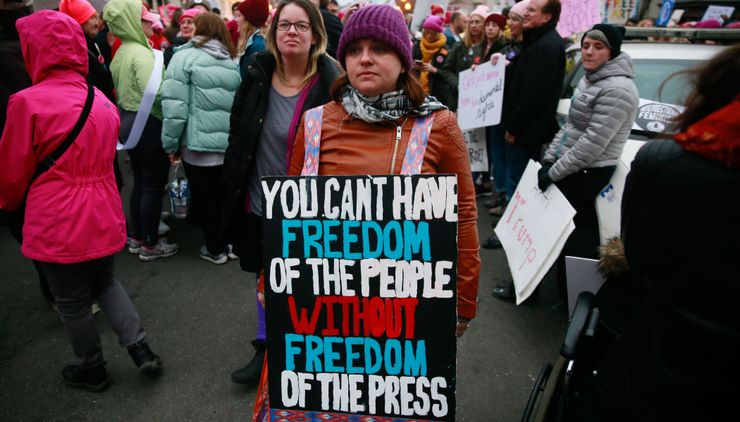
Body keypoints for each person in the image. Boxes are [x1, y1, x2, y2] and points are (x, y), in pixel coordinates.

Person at [569, 44, 740, 422]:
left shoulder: (668, 162)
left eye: (597, 46)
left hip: (657, 366)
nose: (588, 52)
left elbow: (641, 256)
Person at [288, 4, 480, 336]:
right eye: (354, 50)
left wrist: (463, 301)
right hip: (328, 303)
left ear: (403, 59)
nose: (365, 58)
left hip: (408, 306)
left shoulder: (439, 125)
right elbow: (289, 214)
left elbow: (463, 215)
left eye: (379, 48)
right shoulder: (315, 122)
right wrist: (270, 276)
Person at [0, 10, 162, 393]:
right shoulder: (100, 101)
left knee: (71, 299)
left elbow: (11, 171)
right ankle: (140, 347)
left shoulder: (26, 102)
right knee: (105, 282)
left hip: (56, 215)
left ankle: (92, 368)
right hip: (102, 208)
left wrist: (9, 204)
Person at [222, 0, 340, 384]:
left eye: (301, 26)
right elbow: (238, 135)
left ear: (315, 36)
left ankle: (308, 352)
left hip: (312, 208)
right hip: (260, 203)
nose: (291, 31)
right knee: (266, 278)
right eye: (284, 24)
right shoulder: (256, 75)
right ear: (273, 34)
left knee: (310, 281)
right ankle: (266, 348)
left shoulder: (333, 85)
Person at [532, 24, 638, 302]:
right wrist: (549, 158)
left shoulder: (619, 90)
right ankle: (554, 290)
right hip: (571, 166)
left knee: (566, 233)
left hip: (589, 170)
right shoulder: (591, 79)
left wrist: (554, 171)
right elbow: (570, 128)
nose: (589, 52)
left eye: (598, 47)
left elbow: (592, 144)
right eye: (586, 45)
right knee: (556, 230)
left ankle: (565, 294)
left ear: (612, 51)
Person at [485, 0, 565, 265]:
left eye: (532, 10)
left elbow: (531, 95)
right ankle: (509, 229)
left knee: (518, 185)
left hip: (524, 132)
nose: (526, 14)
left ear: (547, 17)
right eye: (525, 10)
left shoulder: (544, 47)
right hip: (521, 130)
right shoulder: (535, 43)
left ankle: (511, 235)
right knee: (513, 180)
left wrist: (513, 128)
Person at [161, 12, 241, 264]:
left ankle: (214, 248)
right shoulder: (231, 60)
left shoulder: (183, 57)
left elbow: (174, 108)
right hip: (225, 144)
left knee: (205, 198)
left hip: (197, 145)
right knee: (222, 196)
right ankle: (228, 243)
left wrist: (170, 144)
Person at [104, 0, 179, 261]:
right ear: (133, 22)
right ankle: (150, 243)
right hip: (148, 123)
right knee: (153, 186)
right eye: (145, 18)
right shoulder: (142, 53)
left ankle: (136, 236)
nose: (152, 22)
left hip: (128, 122)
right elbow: (157, 93)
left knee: (140, 183)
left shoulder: (122, 51)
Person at [480, 0, 527, 234]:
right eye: (513, 19)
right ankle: (501, 194)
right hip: (497, 111)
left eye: (517, 19)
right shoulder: (510, 46)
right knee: (499, 157)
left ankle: (510, 206)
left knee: (512, 164)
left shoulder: (533, 48)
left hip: (512, 116)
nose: (513, 24)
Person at [439, 4, 487, 112]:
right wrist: (458, 85)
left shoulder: (487, 47)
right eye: (471, 22)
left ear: (484, 24)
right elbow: (446, 70)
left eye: (477, 22)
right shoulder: (459, 46)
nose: (473, 25)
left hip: (479, 102)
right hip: (456, 100)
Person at [411, 15, 452, 107]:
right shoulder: (417, 45)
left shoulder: (445, 50)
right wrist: (414, 66)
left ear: (438, 33)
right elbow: (409, 64)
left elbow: (449, 74)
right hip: (416, 91)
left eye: (432, 33)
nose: (429, 36)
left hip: (436, 94)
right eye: (427, 32)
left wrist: (434, 70)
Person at [236, 0, 268, 78]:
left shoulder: (257, 45)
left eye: (239, 16)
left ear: (248, 20)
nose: (236, 20)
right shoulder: (253, 42)